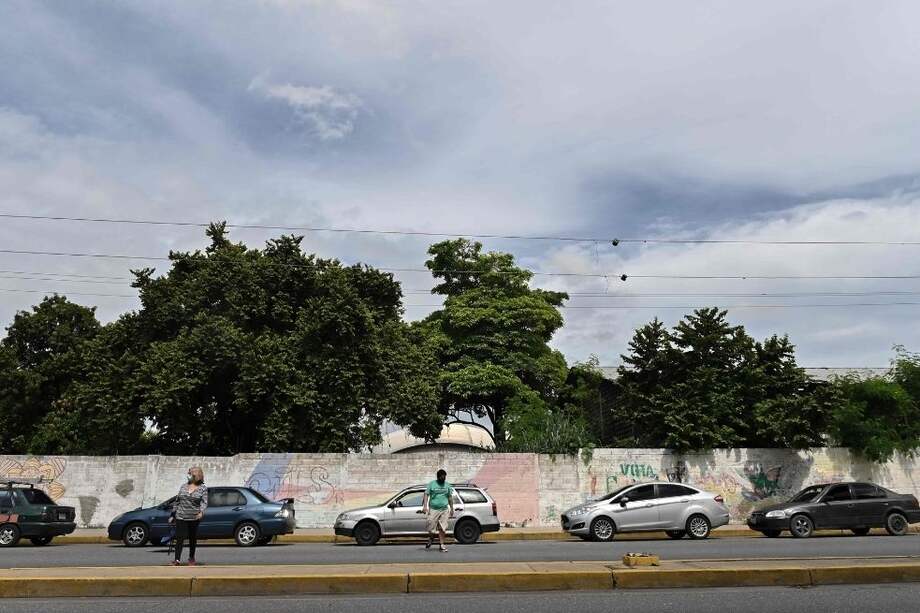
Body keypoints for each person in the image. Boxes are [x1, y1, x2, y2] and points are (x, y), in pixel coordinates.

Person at [169, 466, 208, 566]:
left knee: (192, 538)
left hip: (194, 517)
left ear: (197, 475)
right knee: (180, 538)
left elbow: (204, 502)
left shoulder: (203, 488)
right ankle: (177, 559)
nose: (188, 475)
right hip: (181, 516)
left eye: (190, 473)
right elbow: (177, 501)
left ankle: (191, 558)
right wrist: (172, 515)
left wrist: (201, 512)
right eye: (188, 473)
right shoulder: (183, 486)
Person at [422, 469, 454, 553]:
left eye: (444, 477)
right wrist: (425, 506)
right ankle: (431, 537)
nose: (443, 479)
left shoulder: (447, 485)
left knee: (442, 528)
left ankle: (442, 544)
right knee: (430, 526)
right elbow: (426, 494)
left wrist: (452, 508)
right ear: (438, 477)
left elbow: (450, 497)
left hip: (444, 509)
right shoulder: (431, 484)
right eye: (442, 477)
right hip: (433, 509)